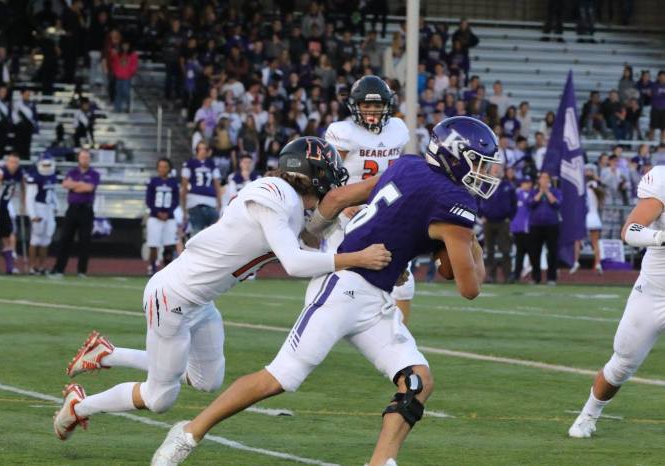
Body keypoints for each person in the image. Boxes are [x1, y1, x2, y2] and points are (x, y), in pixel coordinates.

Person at [150, 116, 495, 466]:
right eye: (480, 163)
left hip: (375, 297)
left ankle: (380, 462)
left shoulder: (408, 165)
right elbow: (469, 287)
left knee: (417, 380)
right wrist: (473, 244)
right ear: (456, 155)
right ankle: (189, 432)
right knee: (279, 378)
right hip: (344, 289)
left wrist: (311, 236)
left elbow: (338, 197)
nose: (485, 173)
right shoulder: (454, 200)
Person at [53, 137, 391, 441]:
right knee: (160, 397)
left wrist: (348, 220)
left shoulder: (287, 200)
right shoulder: (274, 194)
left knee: (207, 380)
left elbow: (311, 240)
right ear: (312, 174)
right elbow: (294, 262)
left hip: (200, 301)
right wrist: (357, 258)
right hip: (172, 298)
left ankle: (107, 354)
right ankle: (78, 406)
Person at [568, 165, 665, 438]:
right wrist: (660, 237)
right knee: (622, 364)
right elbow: (630, 230)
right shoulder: (662, 179)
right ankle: (589, 415)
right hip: (655, 291)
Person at [324, 75, 416, 322]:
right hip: (349, 212)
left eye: (377, 105)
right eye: (366, 105)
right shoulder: (343, 132)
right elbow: (326, 173)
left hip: (385, 209)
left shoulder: (397, 129)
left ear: (387, 105)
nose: (372, 110)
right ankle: (327, 321)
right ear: (355, 106)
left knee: (403, 279)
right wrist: (343, 203)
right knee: (340, 273)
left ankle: (399, 334)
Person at [51, 150, 100, 277]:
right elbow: (65, 184)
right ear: (78, 158)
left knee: (84, 241)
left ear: (90, 159)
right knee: (65, 239)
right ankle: (59, 269)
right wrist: (80, 184)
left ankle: (81, 271)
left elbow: (89, 188)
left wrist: (74, 185)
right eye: (82, 157)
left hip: (86, 209)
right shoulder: (72, 172)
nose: (84, 160)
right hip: (72, 209)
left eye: (87, 158)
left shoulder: (94, 174)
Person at [0, 153, 26, 274]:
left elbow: (23, 186)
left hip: (4, 207)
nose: (14, 165)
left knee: (7, 236)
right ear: (7, 162)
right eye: (12, 162)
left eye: (16, 162)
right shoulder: (1, 172)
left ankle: (10, 266)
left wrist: (23, 203)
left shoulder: (19, 173)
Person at [479, 164, 517, 283]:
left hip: (503, 221)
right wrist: (481, 215)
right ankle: (490, 276)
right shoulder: (484, 185)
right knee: (489, 250)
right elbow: (477, 200)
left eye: (498, 168)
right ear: (489, 171)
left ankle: (508, 276)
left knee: (505, 249)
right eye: (494, 168)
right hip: (488, 221)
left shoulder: (508, 185)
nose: (496, 170)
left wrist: (510, 217)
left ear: (502, 171)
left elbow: (514, 203)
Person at [146, 158, 180, 275]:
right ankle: (152, 268)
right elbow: (149, 200)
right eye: (160, 166)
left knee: (169, 245)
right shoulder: (153, 181)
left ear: (169, 168)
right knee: (153, 244)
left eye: (165, 167)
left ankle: (167, 270)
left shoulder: (173, 182)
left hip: (169, 218)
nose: (162, 169)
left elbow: (175, 201)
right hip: (155, 217)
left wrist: (168, 213)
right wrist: (157, 213)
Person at [181, 141, 222, 236]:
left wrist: (219, 203)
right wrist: (184, 206)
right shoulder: (189, 163)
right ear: (196, 150)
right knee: (196, 235)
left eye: (205, 149)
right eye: (201, 149)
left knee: (214, 235)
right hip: (195, 202)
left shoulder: (212, 164)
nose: (203, 151)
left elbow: (217, 185)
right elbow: (184, 186)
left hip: (211, 202)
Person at [528, 172, 562, 285]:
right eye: (542, 178)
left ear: (549, 180)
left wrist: (547, 192)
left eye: (546, 178)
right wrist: (540, 192)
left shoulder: (555, 191)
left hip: (552, 224)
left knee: (552, 251)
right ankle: (535, 277)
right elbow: (531, 203)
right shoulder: (533, 191)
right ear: (539, 180)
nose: (544, 180)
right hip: (536, 225)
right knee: (534, 252)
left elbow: (557, 204)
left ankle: (551, 278)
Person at [25, 155, 57, 275]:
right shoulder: (35, 177)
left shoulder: (52, 176)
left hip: (49, 208)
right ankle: (32, 267)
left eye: (49, 165)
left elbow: (52, 192)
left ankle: (42, 266)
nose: (47, 167)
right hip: (38, 207)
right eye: (45, 165)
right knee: (36, 237)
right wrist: (32, 214)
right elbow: (29, 197)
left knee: (47, 238)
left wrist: (56, 205)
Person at [571, 164, 604, 275]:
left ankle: (577, 262)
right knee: (593, 242)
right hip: (592, 216)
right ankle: (597, 263)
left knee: (578, 241)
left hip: (585, 216)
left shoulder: (585, 186)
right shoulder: (595, 187)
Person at [511, 175, 534, 281]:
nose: (527, 185)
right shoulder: (516, 194)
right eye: (525, 182)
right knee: (519, 253)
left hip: (530, 228)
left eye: (529, 183)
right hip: (518, 228)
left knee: (532, 252)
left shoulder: (534, 194)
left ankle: (534, 276)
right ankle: (516, 275)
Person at [109, 40, 139, 113]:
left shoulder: (133, 54)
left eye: (127, 45)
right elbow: (114, 62)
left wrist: (131, 72)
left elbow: (134, 65)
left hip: (127, 77)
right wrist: (115, 72)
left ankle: (128, 107)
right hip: (118, 76)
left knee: (126, 92)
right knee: (118, 93)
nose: (125, 47)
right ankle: (117, 108)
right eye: (124, 45)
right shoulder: (118, 53)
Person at [13, 88, 39, 160]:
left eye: (28, 94)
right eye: (26, 94)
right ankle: (17, 158)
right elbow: (14, 115)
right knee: (19, 143)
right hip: (20, 127)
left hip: (29, 126)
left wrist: (35, 126)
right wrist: (19, 122)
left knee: (27, 143)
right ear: (22, 94)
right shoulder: (17, 104)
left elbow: (35, 116)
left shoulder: (32, 104)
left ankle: (26, 158)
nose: (27, 95)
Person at [649, 70, 665, 142]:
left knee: (663, 128)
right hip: (655, 109)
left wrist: (660, 95)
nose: (662, 78)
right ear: (658, 77)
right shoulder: (654, 85)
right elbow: (654, 95)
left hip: (664, 109)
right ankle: (650, 143)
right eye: (661, 76)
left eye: (664, 77)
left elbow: (659, 95)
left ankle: (662, 143)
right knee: (652, 127)